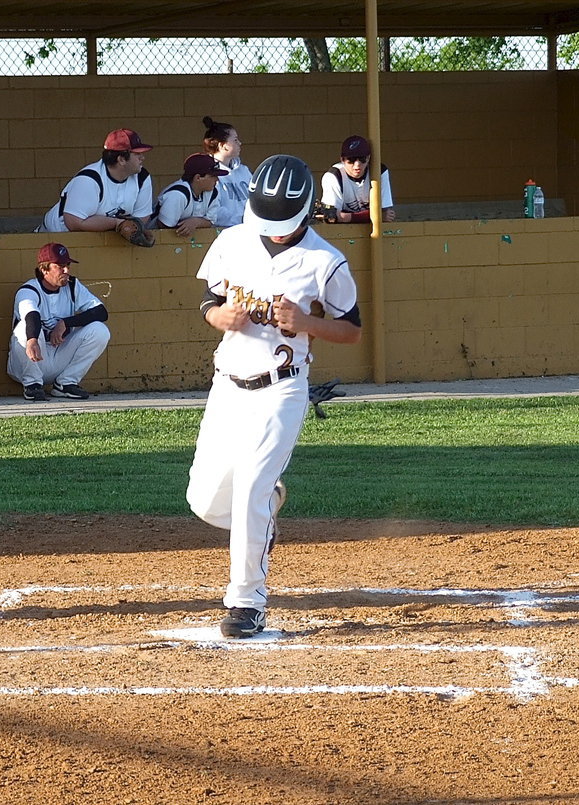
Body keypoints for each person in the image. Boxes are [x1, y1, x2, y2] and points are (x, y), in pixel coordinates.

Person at [186, 155, 362, 639]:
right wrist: (216, 317)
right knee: (203, 501)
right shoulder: (232, 240)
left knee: (248, 494)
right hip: (227, 384)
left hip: (280, 389)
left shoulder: (326, 261)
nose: (276, 231)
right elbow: (209, 297)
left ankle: (246, 603)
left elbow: (351, 331)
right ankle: (267, 499)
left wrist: (307, 323)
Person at [7, 243, 110, 402]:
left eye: (67, 265)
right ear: (44, 269)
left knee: (100, 330)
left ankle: (66, 383)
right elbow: (31, 315)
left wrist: (65, 323)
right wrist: (33, 340)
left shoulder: (72, 286)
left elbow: (101, 312)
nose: (66, 271)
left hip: (58, 355)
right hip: (29, 360)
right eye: (60, 266)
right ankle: (32, 384)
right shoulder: (29, 289)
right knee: (24, 328)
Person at [40, 129, 154, 233]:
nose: (142, 157)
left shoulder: (142, 177)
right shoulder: (89, 179)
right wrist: (117, 224)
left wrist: (130, 228)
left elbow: (141, 217)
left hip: (99, 236)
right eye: (137, 154)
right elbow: (74, 223)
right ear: (121, 159)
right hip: (57, 237)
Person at [320, 135, 396, 224]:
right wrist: (375, 216)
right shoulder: (334, 176)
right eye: (351, 160)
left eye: (362, 159)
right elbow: (330, 217)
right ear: (342, 160)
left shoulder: (379, 171)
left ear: (368, 158)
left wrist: (345, 217)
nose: (357, 166)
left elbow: (386, 214)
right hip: (342, 233)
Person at [152, 153, 229, 237]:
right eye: (213, 176)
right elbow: (163, 227)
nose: (217, 179)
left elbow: (211, 221)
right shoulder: (178, 194)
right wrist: (187, 226)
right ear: (198, 178)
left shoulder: (212, 192)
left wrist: (196, 222)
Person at [202, 116, 251, 228]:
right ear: (222, 145)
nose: (240, 143)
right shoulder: (208, 173)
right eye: (235, 140)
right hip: (225, 232)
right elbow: (215, 211)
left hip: (248, 230)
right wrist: (241, 221)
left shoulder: (244, 171)